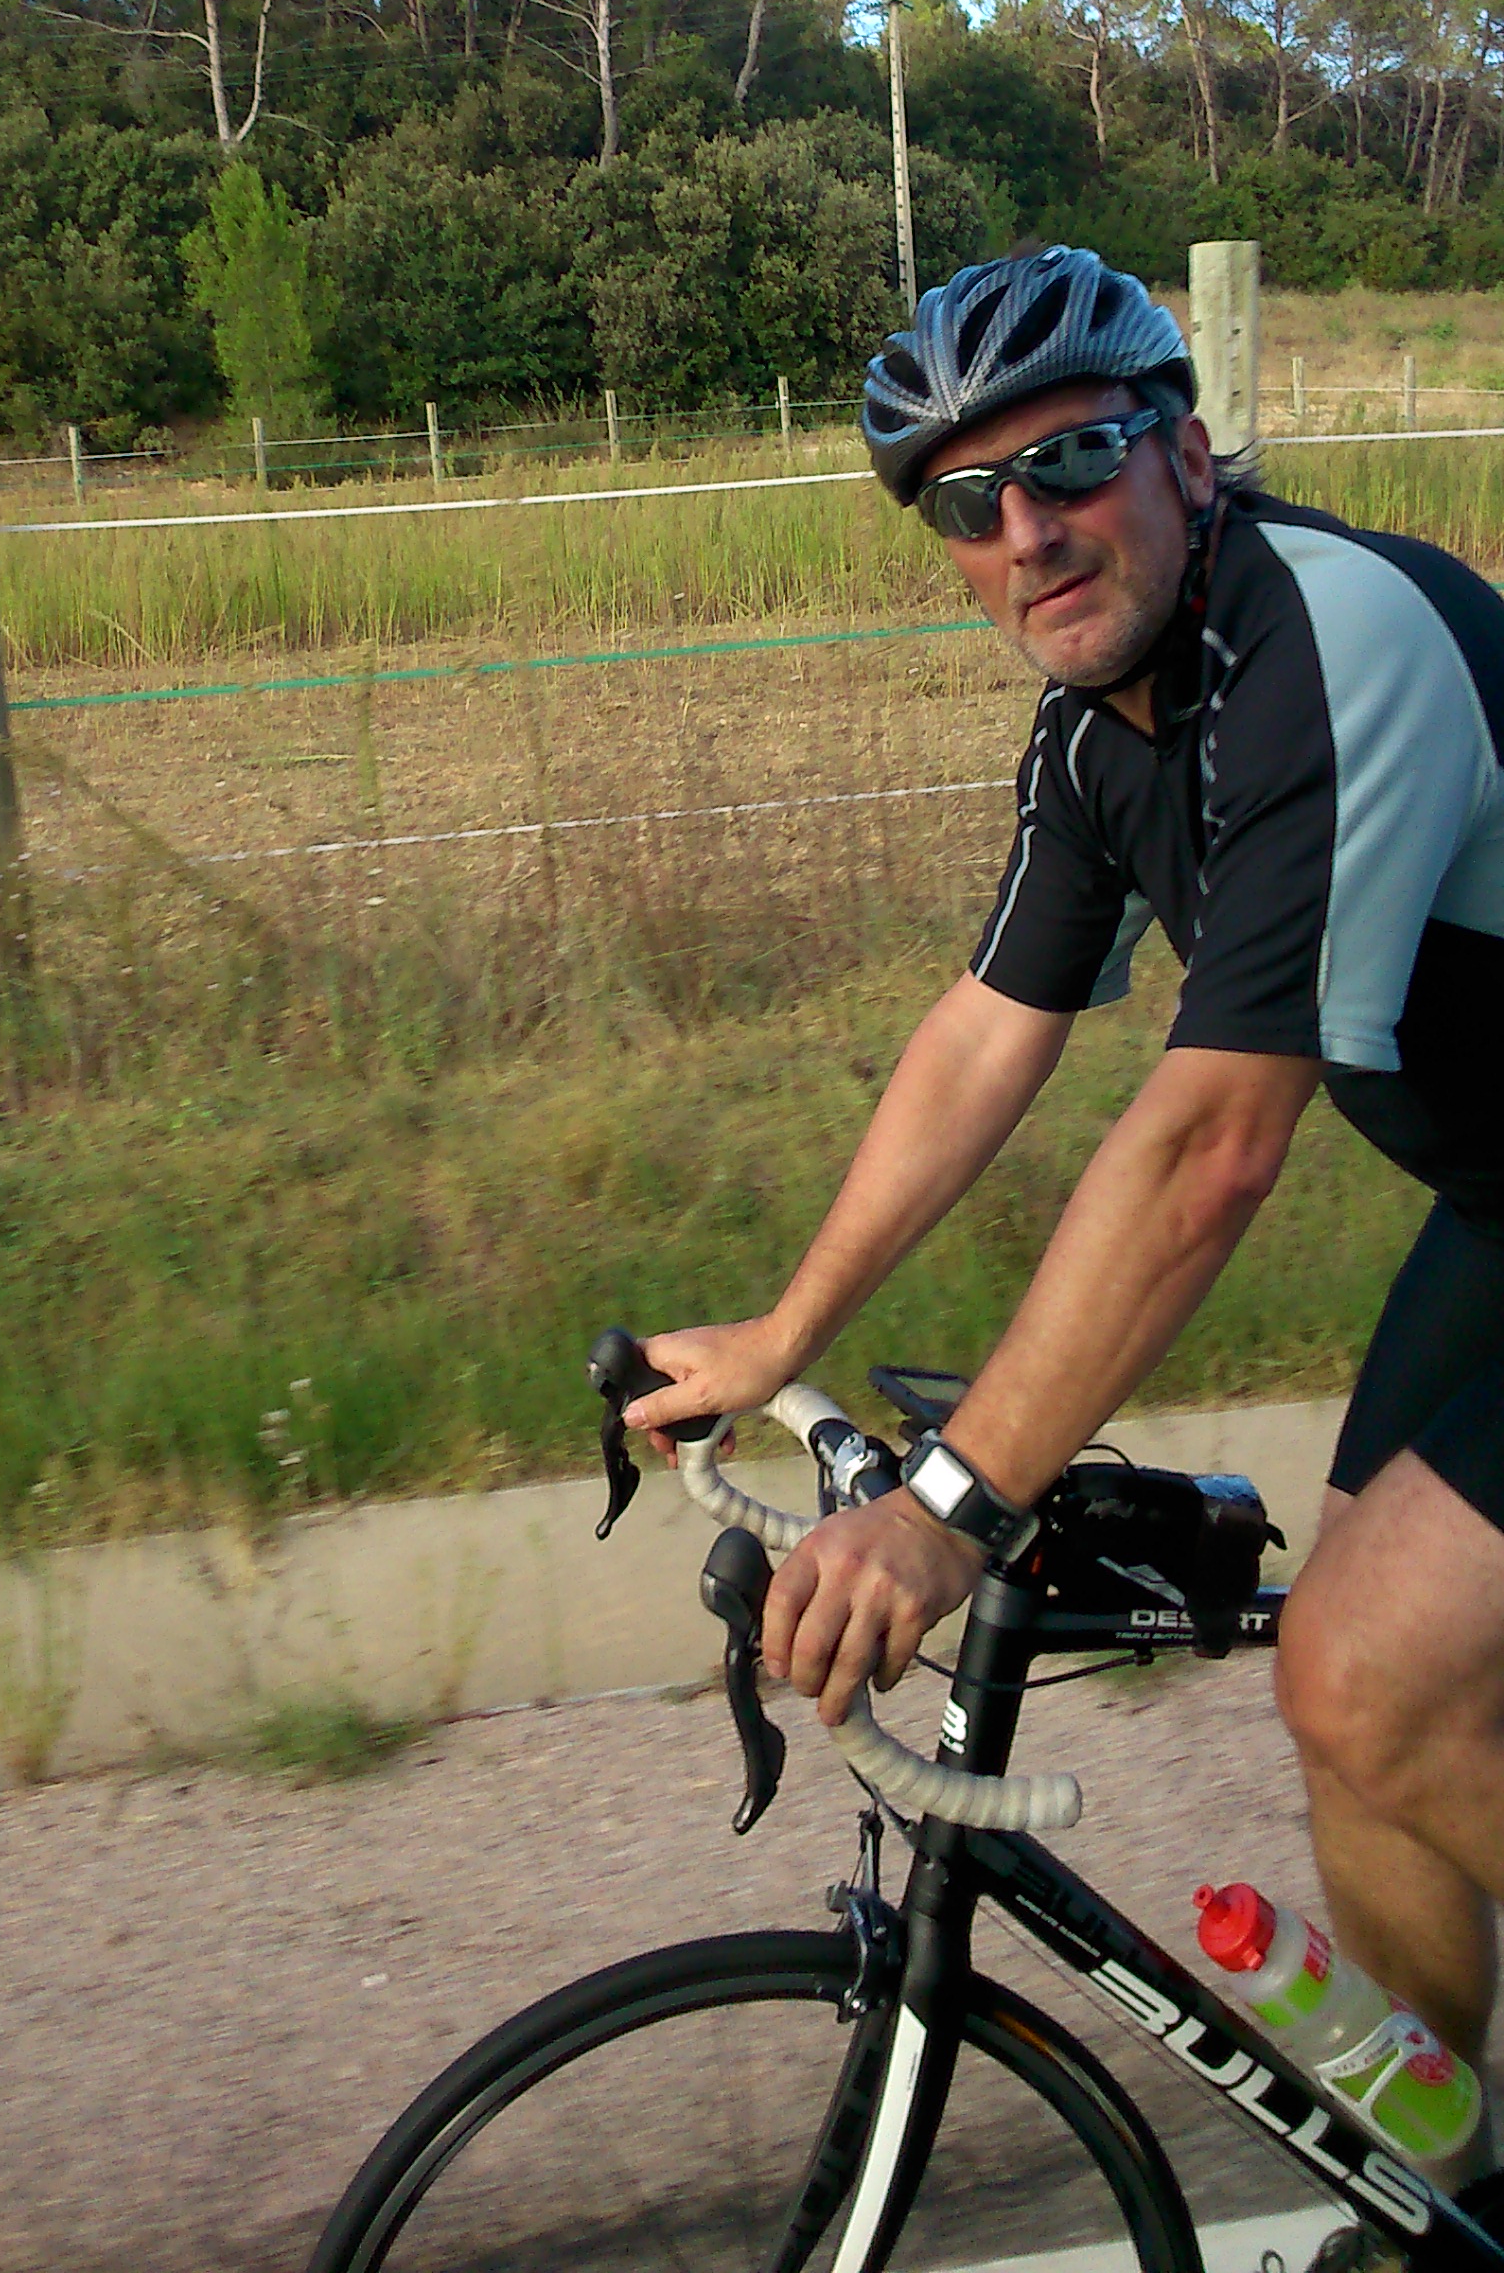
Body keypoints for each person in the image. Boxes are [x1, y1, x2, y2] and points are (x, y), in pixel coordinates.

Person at [630, 243, 1504, 2139]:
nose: (1026, 530)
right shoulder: (1102, 729)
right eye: (968, 502)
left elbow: (1209, 1150)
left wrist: (952, 1512)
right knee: (1340, 1696)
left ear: (1183, 454)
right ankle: (1449, 2182)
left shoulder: (1328, 641)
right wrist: (785, 1333)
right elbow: (987, 1033)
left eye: (1074, 460)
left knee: (1378, 1672)